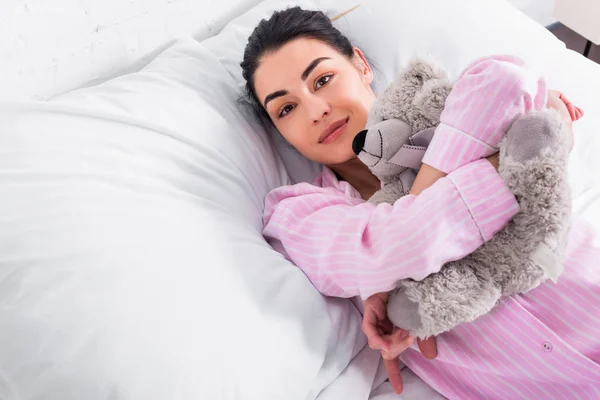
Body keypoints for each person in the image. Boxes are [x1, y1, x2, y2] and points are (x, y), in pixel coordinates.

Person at [240, 6, 600, 399]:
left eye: (323, 79)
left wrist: (399, 264)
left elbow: (509, 79)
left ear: (360, 64)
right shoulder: (298, 213)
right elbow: (391, 248)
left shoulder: (447, 106)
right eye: (286, 109)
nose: (316, 110)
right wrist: (507, 157)